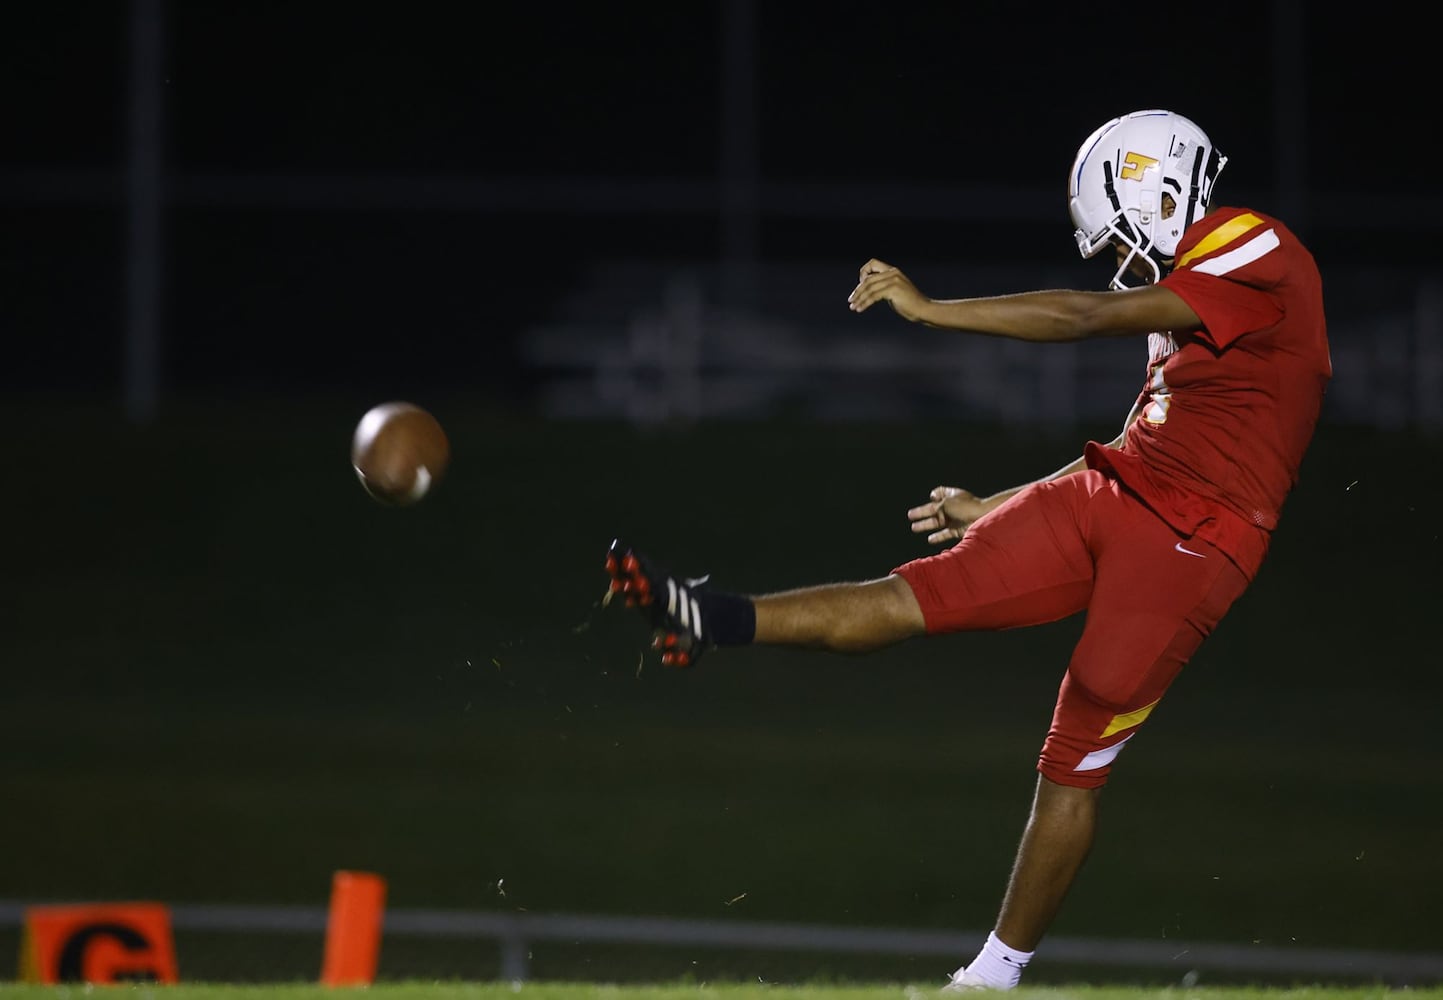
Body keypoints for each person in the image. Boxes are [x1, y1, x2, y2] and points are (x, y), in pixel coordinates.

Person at [603, 108, 1331, 990]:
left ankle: (991, 976)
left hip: (1194, 539)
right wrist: (999, 503)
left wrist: (928, 309)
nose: (1116, 255)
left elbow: (1078, 316)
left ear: (1159, 189)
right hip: (1120, 489)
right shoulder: (1193, 283)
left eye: (1116, 234)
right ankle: (709, 618)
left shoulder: (1256, 244)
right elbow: (1140, 435)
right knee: (910, 594)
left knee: (1071, 759)